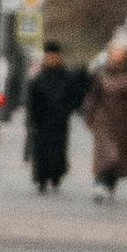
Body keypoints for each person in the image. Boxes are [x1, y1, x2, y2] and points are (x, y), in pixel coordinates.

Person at [87, 34, 127, 200]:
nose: (117, 56)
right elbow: (93, 96)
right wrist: (88, 114)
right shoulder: (101, 74)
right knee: (107, 155)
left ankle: (109, 184)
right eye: (114, 52)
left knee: (117, 157)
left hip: (122, 122)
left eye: (120, 53)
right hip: (103, 120)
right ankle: (99, 183)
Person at [23, 39, 81, 195]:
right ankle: (41, 178)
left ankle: (56, 176)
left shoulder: (66, 77)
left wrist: (67, 110)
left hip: (59, 121)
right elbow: (32, 100)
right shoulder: (39, 78)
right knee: (41, 151)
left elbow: (74, 96)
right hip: (42, 120)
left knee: (58, 150)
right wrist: (31, 119)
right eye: (50, 57)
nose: (53, 59)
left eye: (55, 57)